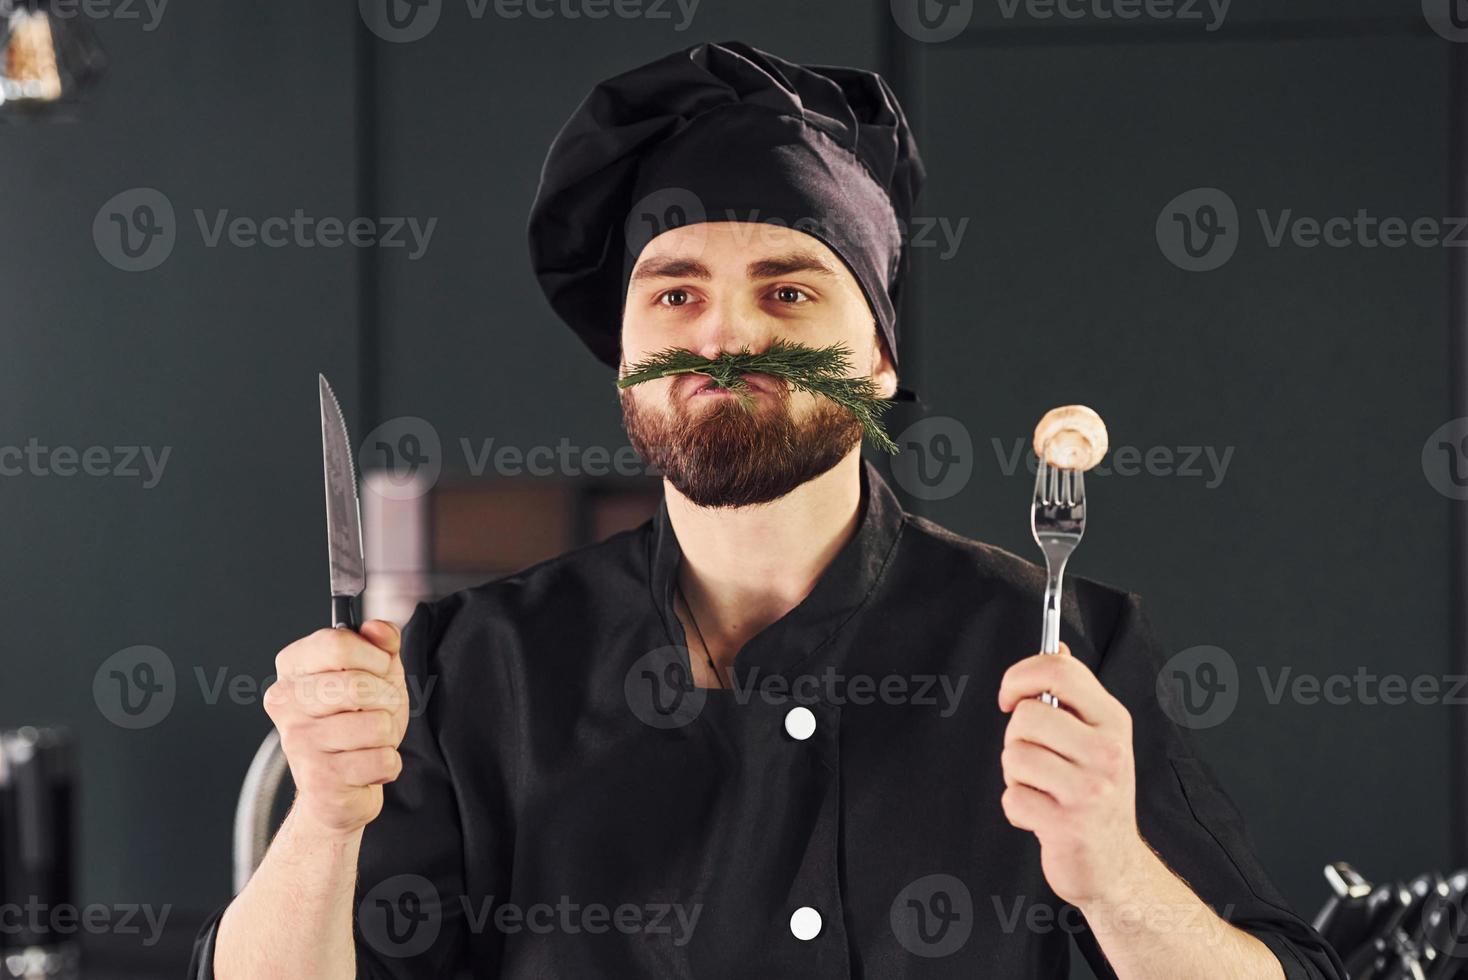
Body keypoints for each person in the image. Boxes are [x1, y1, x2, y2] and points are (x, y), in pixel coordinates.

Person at [190, 40, 1345, 979]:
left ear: (881, 359)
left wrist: (1111, 872)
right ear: (627, 353)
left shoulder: (1064, 648)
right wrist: (326, 825)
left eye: (786, 292)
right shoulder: (473, 666)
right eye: (675, 291)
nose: (724, 336)